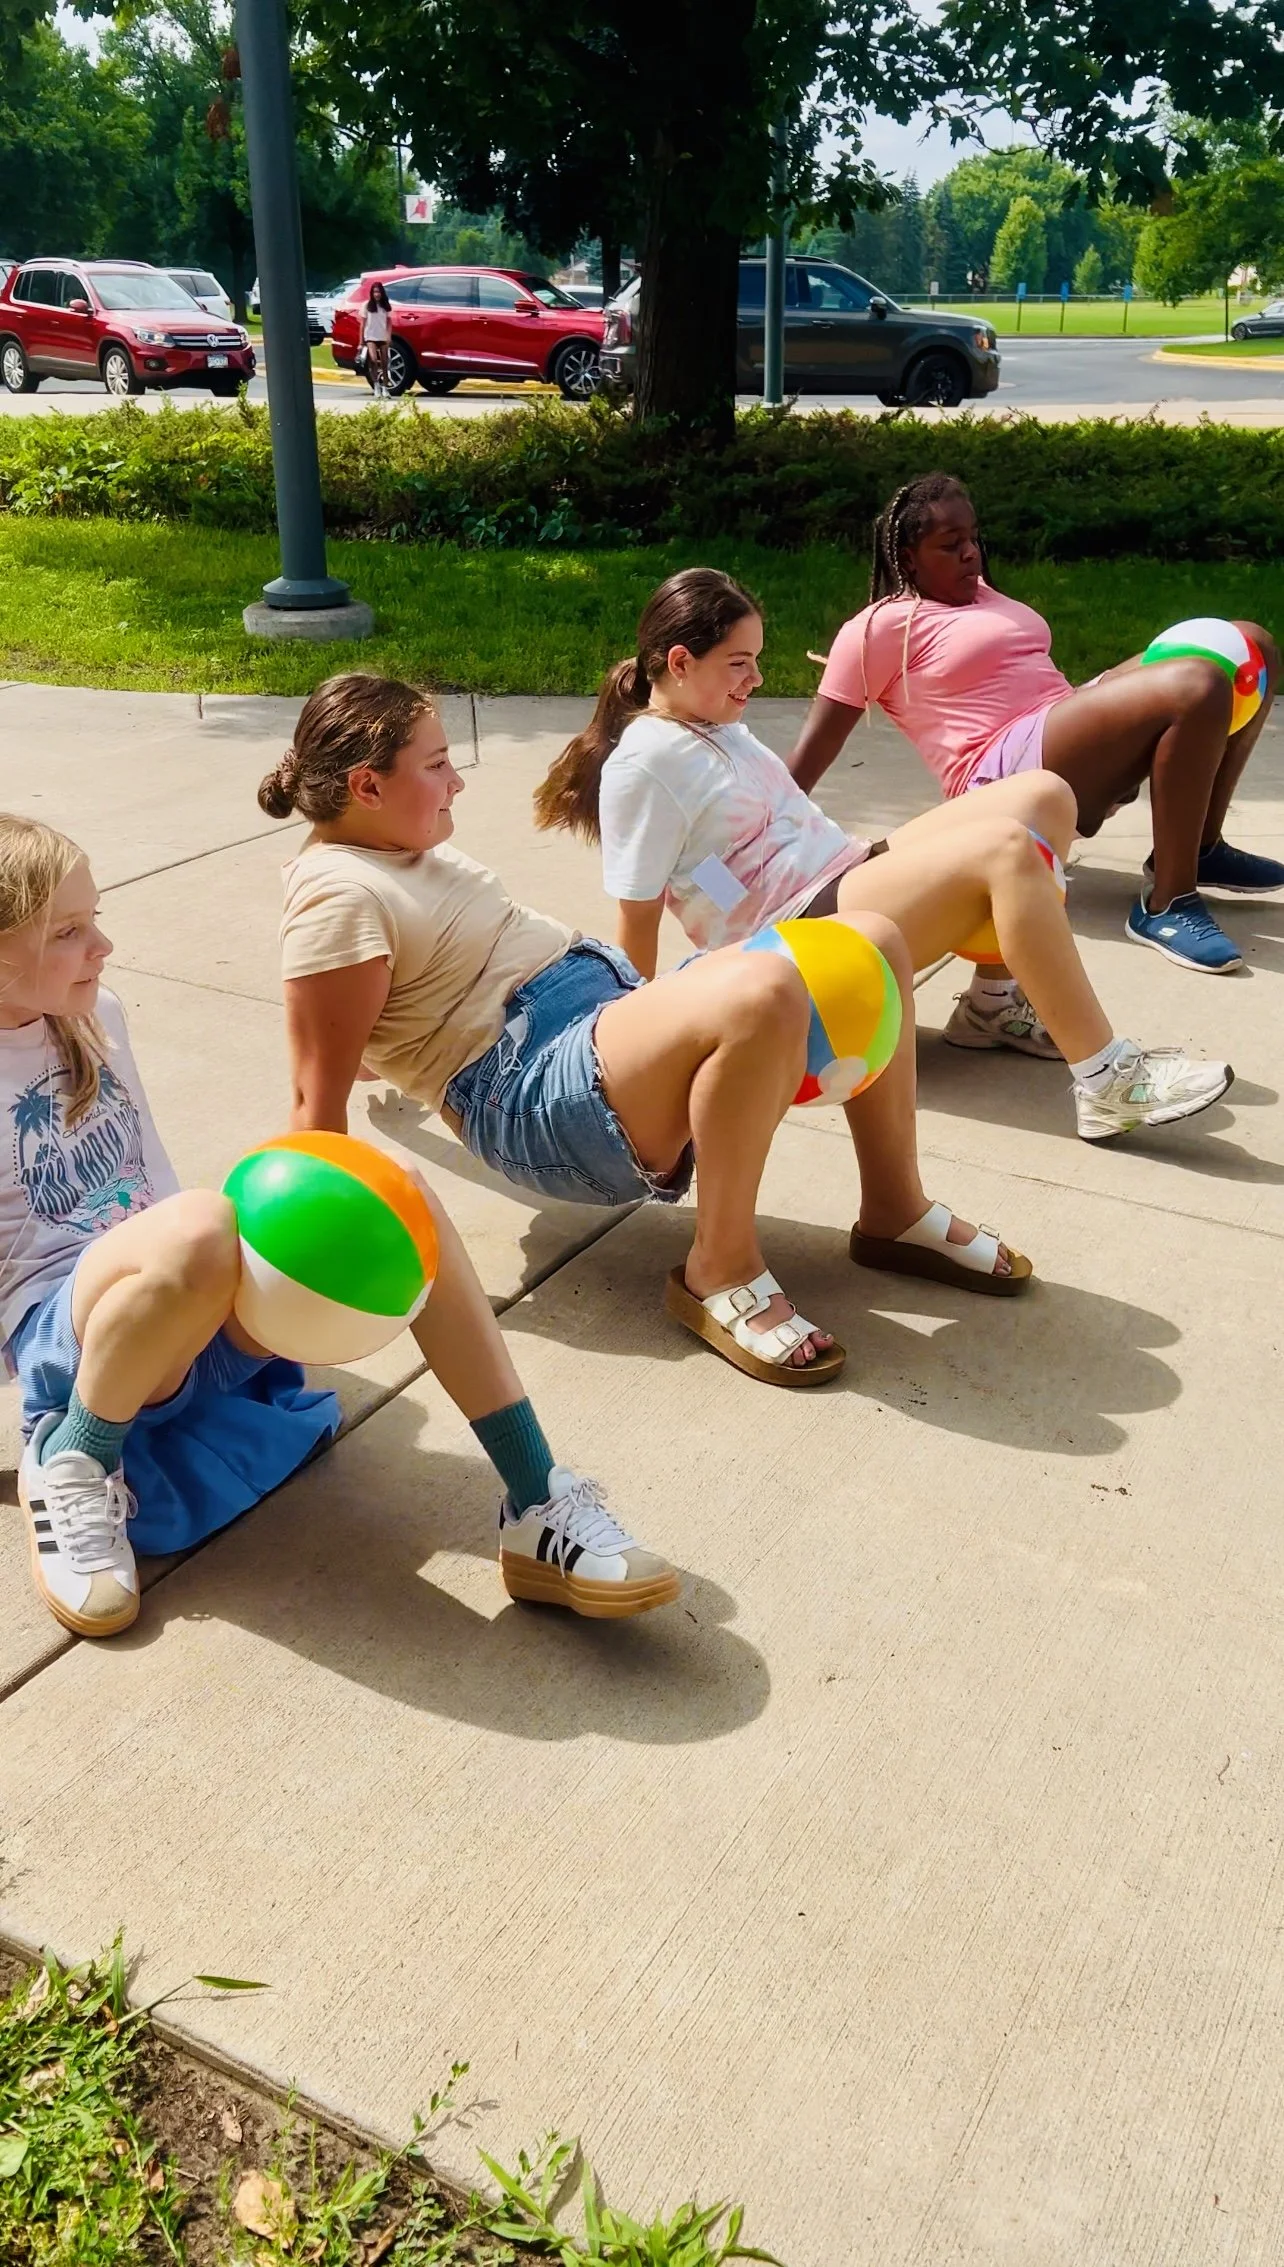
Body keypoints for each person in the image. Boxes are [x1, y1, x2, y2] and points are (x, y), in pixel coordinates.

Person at [264, 674, 1036, 1404]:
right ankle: (718, 1270)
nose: (457, 781)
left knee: (869, 939)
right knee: (761, 993)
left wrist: (380, 1054)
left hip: (599, 1023)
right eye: (437, 764)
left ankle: (893, 1209)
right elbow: (312, 1099)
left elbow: (381, 1013)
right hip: (531, 1085)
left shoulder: (396, 847)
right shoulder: (336, 895)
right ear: (367, 785)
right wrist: (309, 1292)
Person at [0, 816, 676, 1637]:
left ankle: (536, 1499)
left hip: (175, 1297)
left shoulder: (95, 1009)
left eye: (95, 917)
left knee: (398, 1192)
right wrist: (195, 1248)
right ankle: (74, 1456)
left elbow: (151, 1176)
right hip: (60, 1333)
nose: (102, 943)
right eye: (68, 932)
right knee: (199, 1223)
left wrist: (221, 1287)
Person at [534, 567, 1232, 1146]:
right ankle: (1107, 1079)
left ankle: (991, 1008)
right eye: (738, 664)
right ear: (680, 662)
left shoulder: (712, 721)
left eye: (757, 659)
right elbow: (636, 918)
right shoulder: (644, 766)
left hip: (846, 872)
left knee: (1044, 794)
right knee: (1006, 850)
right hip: (793, 935)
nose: (755, 679)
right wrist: (635, 1066)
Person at [786, 472, 1283, 975]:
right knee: (1196, 685)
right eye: (950, 545)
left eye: (973, 537)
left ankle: (1200, 848)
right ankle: (1167, 904)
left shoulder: (980, 592)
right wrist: (765, 851)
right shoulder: (879, 627)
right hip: (1000, 771)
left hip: (1060, 719)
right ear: (908, 557)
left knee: (1246, 644)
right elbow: (814, 749)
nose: (970, 553)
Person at [361, 281, 392, 398]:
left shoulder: (385, 306)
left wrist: (388, 335)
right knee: (373, 359)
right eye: (374, 292)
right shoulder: (367, 306)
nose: (377, 294)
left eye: (378, 292)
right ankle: (376, 386)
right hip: (370, 336)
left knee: (384, 361)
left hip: (382, 336)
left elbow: (389, 322)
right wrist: (361, 341)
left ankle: (385, 387)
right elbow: (362, 324)